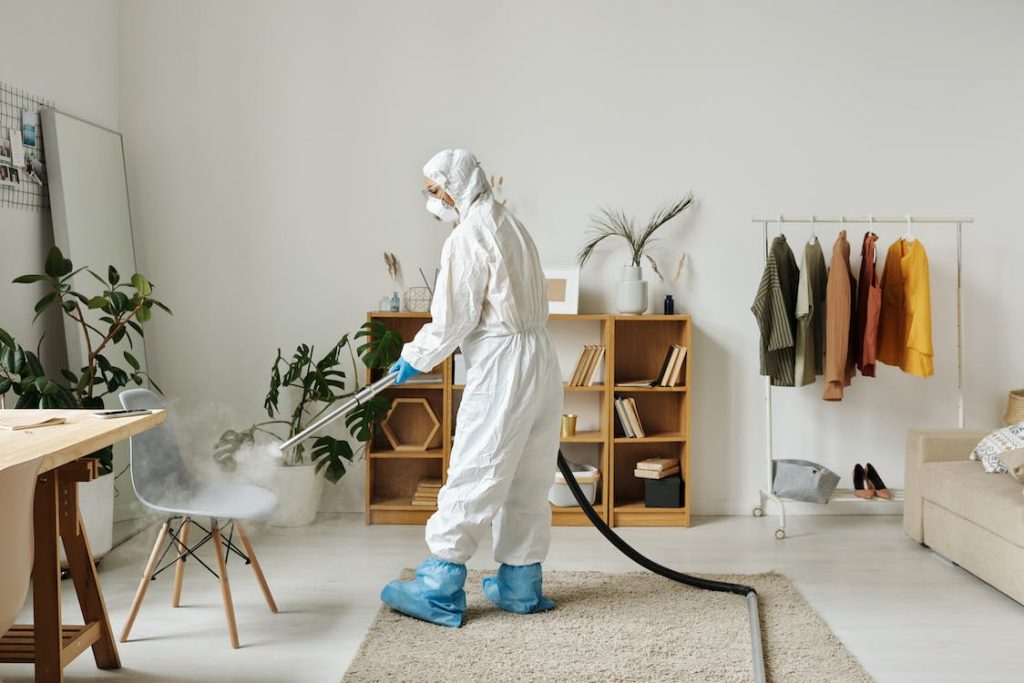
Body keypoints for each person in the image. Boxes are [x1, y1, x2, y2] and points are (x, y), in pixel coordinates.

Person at [380, 149, 563, 628]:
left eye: (435, 190)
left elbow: (452, 320)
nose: (432, 200)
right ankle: (521, 586)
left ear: (454, 187)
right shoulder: (511, 224)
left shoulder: (466, 238)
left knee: (477, 467)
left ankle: (439, 588)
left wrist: (413, 356)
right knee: (529, 472)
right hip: (542, 357)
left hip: (504, 364)